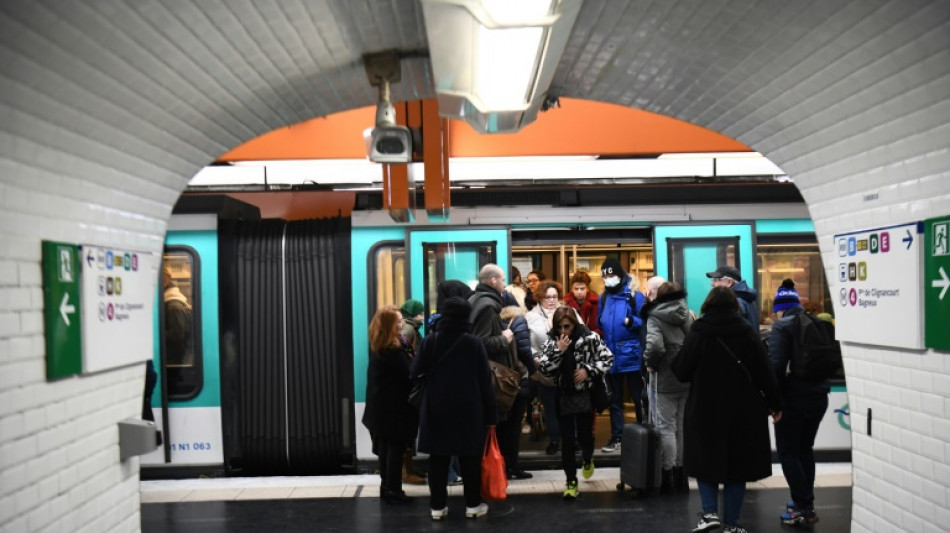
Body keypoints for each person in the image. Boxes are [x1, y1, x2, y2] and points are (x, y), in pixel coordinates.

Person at [672, 287, 782, 533]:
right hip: (743, 411)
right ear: (734, 306)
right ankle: (732, 525)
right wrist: (776, 405)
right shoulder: (747, 332)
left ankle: (709, 513)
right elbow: (765, 372)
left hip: (705, 409)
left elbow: (681, 371)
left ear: (707, 305)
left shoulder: (699, 331)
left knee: (705, 460)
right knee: (737, 467)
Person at [412, 297, 497, 520]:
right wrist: (491, 415)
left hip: (436, 407)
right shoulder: (474, 342)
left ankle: (437, 508)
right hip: (469, 409)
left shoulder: (431, 340)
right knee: (470, 460)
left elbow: (415, 373)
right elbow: (485, 382)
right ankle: (472, 505)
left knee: (438, 460)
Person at [767, 279, 829, 526]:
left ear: (780, 308)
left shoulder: (783, 326)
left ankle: (804, 508)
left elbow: (776, 368)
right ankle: (806, 500)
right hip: (819, 396)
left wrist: (774, 403)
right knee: (805, 450)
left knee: (788, 452)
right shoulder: (818, 322)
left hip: (793, 400)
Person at [539, 306, 613, 500]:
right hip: (563, 396)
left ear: (575, 324)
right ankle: (571, 481)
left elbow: (608, 359)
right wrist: (559, 351)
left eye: (567, 326)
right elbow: (545, 369)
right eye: (560, 327)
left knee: (585, 437)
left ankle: (588, 457)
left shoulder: (590, 338)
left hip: (585, 395)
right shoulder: (552, 341)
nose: (564, 331)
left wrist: (588, 370)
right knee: (568, 442)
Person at [361, 305, 418, 504]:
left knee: (386, 448)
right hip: (393, 410)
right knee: (395, 450)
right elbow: (408, 375)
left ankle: (387, 488)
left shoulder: (380, 344)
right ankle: (394, 490)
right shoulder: (392, 350)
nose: (402, 324)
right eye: (398, 321)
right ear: (388, 325)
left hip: (381, 408)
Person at [641, 281, 692, 493]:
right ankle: (682, 475)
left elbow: (654, 346)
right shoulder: (689, 314)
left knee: (666, 428)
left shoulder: (655, 316)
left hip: (664, 380)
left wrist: (650, 363)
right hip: (687, 378)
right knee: (681, 427)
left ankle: (668, 474)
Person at [598, 258, 646, 452]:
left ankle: (643, 434)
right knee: (615, 400)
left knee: (638, 397)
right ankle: (617, 437)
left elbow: (644, 322)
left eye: (611, 275)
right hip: (612, 355)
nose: (608, 279)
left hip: (632, 356)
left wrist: (630, 321)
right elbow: (600, 322)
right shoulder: (604, 298)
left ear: (621, 275)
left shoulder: (635, 295)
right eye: (605, 276)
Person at [500, 291, 537, 480]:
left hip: (499, 381)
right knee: (514, 426)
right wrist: (533, 371)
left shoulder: (491, 320)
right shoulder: (518, 320)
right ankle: (512, 466)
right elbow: (524, 350)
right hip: (517, 380)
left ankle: (500, 467)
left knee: (501, 426)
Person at [526, 280, 566, 456]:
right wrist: (534, 357)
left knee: (566, 407)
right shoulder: (531, 317)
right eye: (547, 297)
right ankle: (555, 440)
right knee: (550, 407)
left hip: (566, 368)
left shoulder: (568, 313)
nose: (551, 300)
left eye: (555, 297)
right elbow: (526, 342)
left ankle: (570, 441)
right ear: (540, 298)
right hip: (543, 369)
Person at [398, 298, 427, 485]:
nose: (422, 316)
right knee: (406, 431)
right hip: (408, 387)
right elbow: (403, 351)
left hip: (410, 386)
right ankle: (405, 472)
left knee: (409, 430)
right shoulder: (409, 329)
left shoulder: (411, 328)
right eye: (420, 313)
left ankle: (408, 468)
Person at [163, 267, 194, 367]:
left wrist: (157, 335)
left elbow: (177, 334)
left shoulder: (173, 306)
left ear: (165, 283)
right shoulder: (169, 302)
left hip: (174, 358)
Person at [563, 271, 601, 336]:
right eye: (576, 289)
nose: (579, 292)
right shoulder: (565, 304)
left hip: (593, 340)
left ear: (587, 289)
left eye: (582, 289)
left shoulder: (596, 303)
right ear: (572, 289)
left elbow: (601, 324)